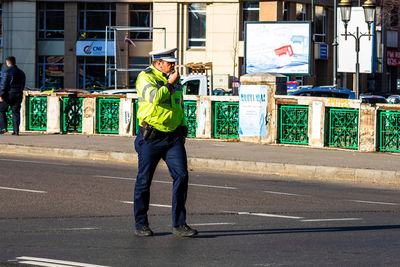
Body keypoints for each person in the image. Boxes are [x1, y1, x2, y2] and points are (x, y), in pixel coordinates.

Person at [133, 48, 197, 237]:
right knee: (144, 181)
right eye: (170, 63)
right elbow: (155, 98)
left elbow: (179, 105)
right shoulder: (145, 77)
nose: (173, 66)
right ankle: (141, 224)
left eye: (174, 63)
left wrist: (184, 127)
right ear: (158, 63)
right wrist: (170, 83)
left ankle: (179, 223)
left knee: (182, 176)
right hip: (151, 137)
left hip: (173, 137)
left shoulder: (174, 80)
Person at [0, 56, 26, 135]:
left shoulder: (6, 72)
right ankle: (16, 131)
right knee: (16, 112)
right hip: (18, 94)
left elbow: (3, 85)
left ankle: (3, 128)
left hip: (8, 94)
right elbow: (23, 84)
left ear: (7, 62)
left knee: (1, 110)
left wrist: (1, 95)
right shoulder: (21, 72)